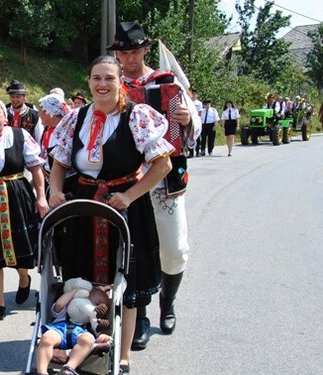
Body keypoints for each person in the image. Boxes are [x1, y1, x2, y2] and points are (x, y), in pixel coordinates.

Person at [48, 55, 173, 373]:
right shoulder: (75, 118)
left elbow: (163, 164)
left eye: (109, 78)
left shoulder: (137, 116)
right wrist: (55, 190)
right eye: (96, 78)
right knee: (83, 283)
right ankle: (85, 350)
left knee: (126, 285)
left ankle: (124, 355)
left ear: (121, 82)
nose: (102, 84)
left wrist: (129, 195)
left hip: (124, 206)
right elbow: (60, 162)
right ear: (88, 82)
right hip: (84, 209)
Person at [111, 20, 200, 351]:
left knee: (173, 248)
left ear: (145, 50)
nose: (129, 58)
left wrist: (187, 121)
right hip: (129, 177)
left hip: (165, 179)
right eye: (123, 53)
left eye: (134, 51)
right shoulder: (112, 83)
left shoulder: (167, 82)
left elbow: (195, 124)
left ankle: (169, 302)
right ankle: (142, 317)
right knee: (135, 248)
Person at [0, 98, 49, 320]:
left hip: (16, 196)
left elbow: (35, 168)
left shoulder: (19, 135)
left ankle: (24, 278)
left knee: (19, 246)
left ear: (5, 117)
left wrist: (41, 197)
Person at [35, 278, 111, 375]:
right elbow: (59, 304)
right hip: (60, 329)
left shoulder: (90, 322)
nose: (96, 307)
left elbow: (99, 331)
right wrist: (76, 291)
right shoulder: (67, 307)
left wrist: (102, 335)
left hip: (81, 332)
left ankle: (69, 368)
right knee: (47, 337)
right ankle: (41, 371)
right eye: (97, 303)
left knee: (88, 339)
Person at [188, 90, 203, 158]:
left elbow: (200, 113)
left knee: (197, 137)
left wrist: (197, 121)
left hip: (196, 121)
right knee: (189, 137)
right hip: (189, 120)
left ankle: (197, 152)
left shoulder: (199, 103)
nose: (194, 95)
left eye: (195, 94)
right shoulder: (188, 101)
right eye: (193, 94)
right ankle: (191, 152)